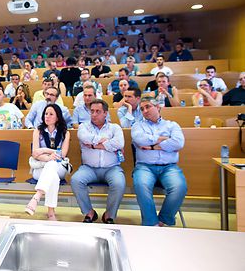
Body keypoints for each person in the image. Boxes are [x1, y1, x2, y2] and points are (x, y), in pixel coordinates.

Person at [132, 97, 187, 226]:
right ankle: (151, 224)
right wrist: (164, 139)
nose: (145, 111)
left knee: (179, 187)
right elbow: (140, 140)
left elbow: (178, 142)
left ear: (158, 107)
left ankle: (163, 219)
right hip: (144, 166)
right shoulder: (137, 126)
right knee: (141, 185)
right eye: (142, 109)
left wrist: (152, 146)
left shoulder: (172, 125)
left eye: (148, 107)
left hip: (169, 167)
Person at [71, 100, 126, 224]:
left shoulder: (115, 127)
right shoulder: (84, 127)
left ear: (105, 113)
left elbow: (119, 143)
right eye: (92, 111)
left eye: (98, 111)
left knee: (119, 183)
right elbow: (84, 137)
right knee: (76, 180)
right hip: (89, 168)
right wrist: (106, 142)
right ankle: (89, 212)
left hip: (112, 168)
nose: (94, 114)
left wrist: (94, 145)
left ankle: (109, 215)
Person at [24, 104, 71, 220]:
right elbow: (35, 153)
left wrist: (43, 151)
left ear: (58, 117)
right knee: (53, 177)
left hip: (59, 166)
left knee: (52, 166)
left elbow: (62, 155)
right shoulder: (38, 131)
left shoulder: (65, 132)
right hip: (39, 168)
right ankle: (51, 213)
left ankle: (37, 196)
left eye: (51, 114)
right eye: (46, 113)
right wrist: (50, 154)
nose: (47, 116)